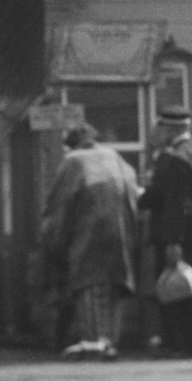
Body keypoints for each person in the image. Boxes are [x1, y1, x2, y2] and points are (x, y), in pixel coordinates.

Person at [39, 123, 140, 360]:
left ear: (70, 144)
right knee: (116, 285)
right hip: (121, 230)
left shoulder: (73, 160)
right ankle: (111, 342)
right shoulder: (114, 156)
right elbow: (133, 190)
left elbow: (59, 204)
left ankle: (94, 342)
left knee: (88, 285)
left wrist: (54, 240)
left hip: (89, 231)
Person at [138, 106, 192, 358]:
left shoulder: (178, 158)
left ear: (170, 128)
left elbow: (176, 204)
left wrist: (172, 240)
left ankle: (189, 345)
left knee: (180, 291)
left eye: (161, 127)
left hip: (181, 234)